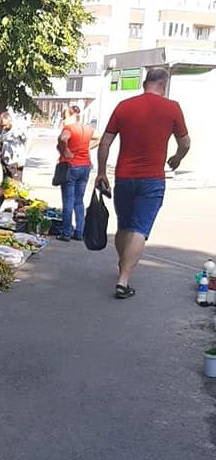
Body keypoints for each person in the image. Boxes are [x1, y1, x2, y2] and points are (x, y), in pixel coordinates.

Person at [96, 67, 190, 299]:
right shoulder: (172, 108)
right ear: (164, 86)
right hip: (152, 179)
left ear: (144, 83)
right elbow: (186, 143)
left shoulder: (124, 106)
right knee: (140, 229)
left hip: (124, 177)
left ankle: (123, 263)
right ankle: (123, 280)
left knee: (124, 226)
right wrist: (177, 158)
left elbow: (105, 142)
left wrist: (101, 172)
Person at [56, 106, 99, 242]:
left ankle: (66, 232)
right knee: (79, 201)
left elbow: (63, 138)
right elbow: (99, 137)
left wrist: (65, 150)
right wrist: (88, 147)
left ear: (71, 116)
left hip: (71, 166)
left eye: (64, 117)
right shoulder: (88, 129)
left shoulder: (69, 129)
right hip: (85, 166)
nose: (63, 120)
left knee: (68, 200)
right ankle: (80, 232)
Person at [0, 112, 27, 181]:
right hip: (5, 161)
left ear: (9, 121)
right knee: (6, 182)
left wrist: (23, 158)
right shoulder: (3, 130)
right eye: (2, 125)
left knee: (16, 183)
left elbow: (28, 141)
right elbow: (2, 144)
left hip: (16, 161)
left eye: (5, 125)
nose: (4, 127)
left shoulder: (18, 130)